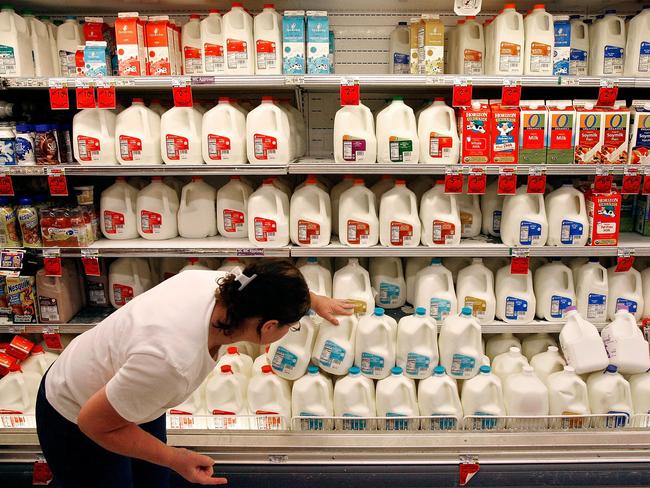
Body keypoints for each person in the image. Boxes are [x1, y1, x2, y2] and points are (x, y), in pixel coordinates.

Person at [36, 259, 354, 487]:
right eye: (292, 324)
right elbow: (95, 423)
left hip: (125, 389)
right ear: (269, 327)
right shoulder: (173, 362)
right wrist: (176, 458)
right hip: (75, 415)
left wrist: (312, 300)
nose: (292, 329)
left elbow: (262, 282)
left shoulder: (224, 287)